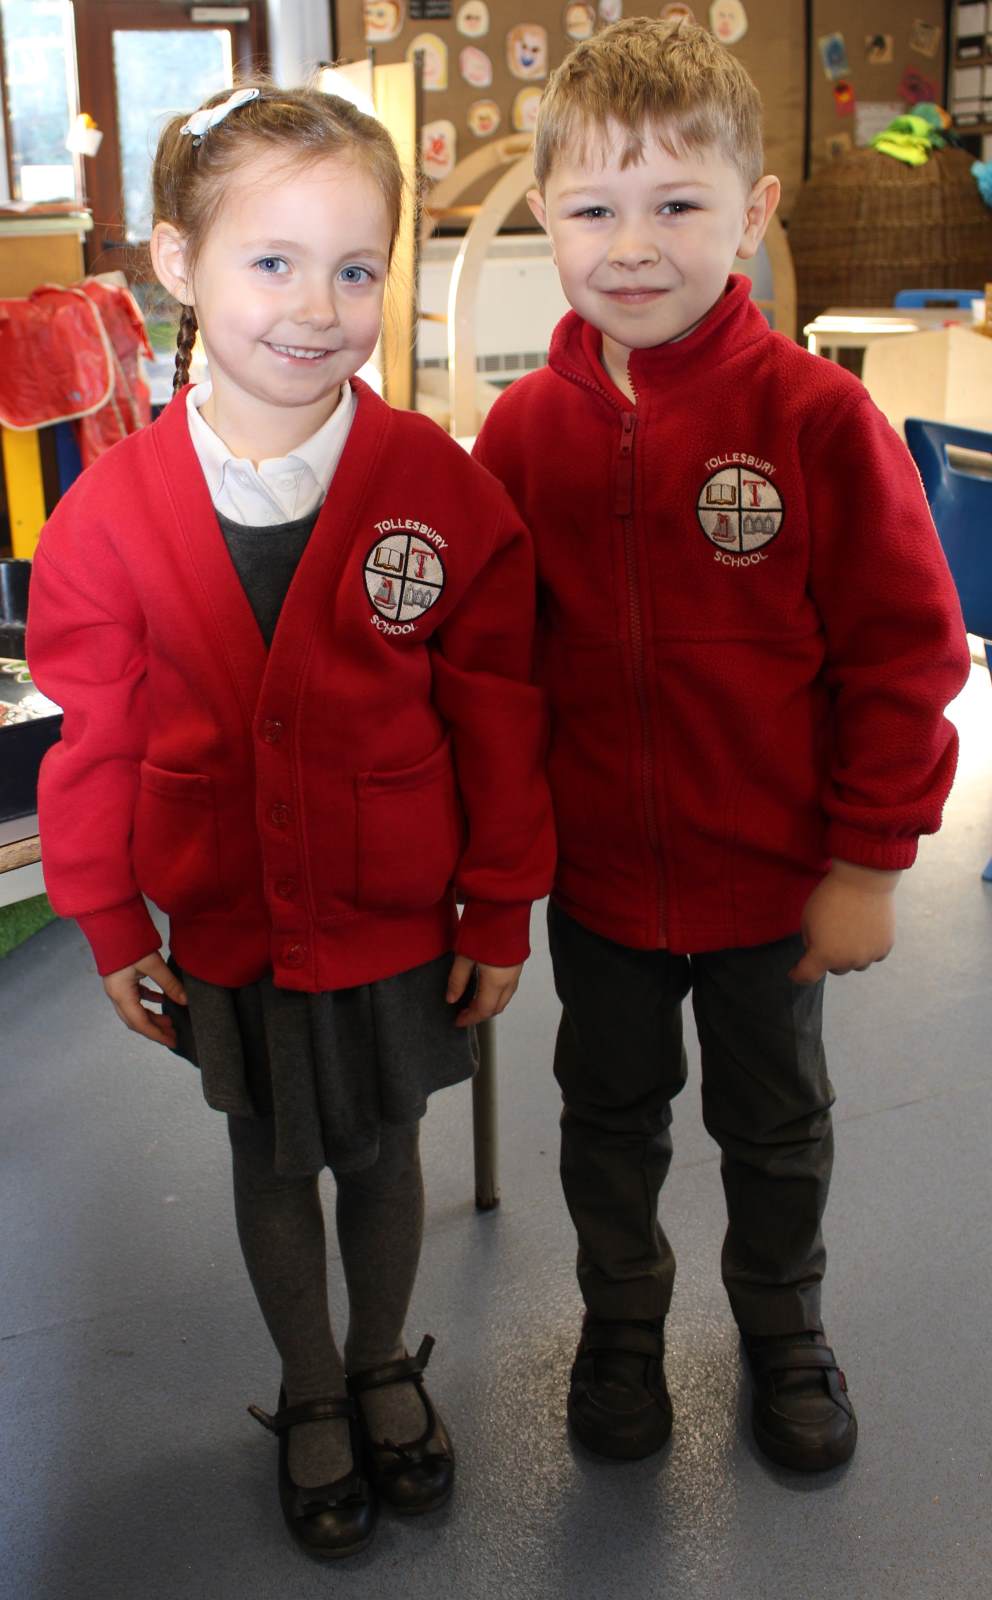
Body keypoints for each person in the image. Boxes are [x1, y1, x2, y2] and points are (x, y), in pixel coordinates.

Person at [27, 82, 554, 1559]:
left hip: (394, 919)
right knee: (271, 1160)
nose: (317, 307)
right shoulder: (109, 519)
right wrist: (112, 919)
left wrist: (502, 905)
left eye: (355, 267)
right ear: (178, 264)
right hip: (234, 925)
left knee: (383, 1153)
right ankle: (310, 1387)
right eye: (272, 261)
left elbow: (498, 717)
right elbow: (95, 740)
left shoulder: (439, 496)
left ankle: (383, 1361)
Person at [473, 17, 971, 1474]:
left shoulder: (818, 422)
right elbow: (491, 678)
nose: (634, 247)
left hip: (773, 891)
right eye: (593, 210)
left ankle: (783, 1331)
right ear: (547, 224)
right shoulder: (518, 438)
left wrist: (870, 860)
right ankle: (621, 1329)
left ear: (752, 212)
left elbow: (905, 654)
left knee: (776, 1129)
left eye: (678, 205)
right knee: (606, 1123)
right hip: (605, 889)